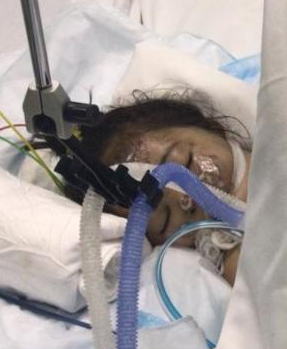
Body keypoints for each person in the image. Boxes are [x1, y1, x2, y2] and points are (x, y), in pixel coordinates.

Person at [68, 91, 251, 285]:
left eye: (186, 162)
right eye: (166, 219)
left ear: (210, 126)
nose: (187, 199)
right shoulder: (237, 261)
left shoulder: (272, 130)